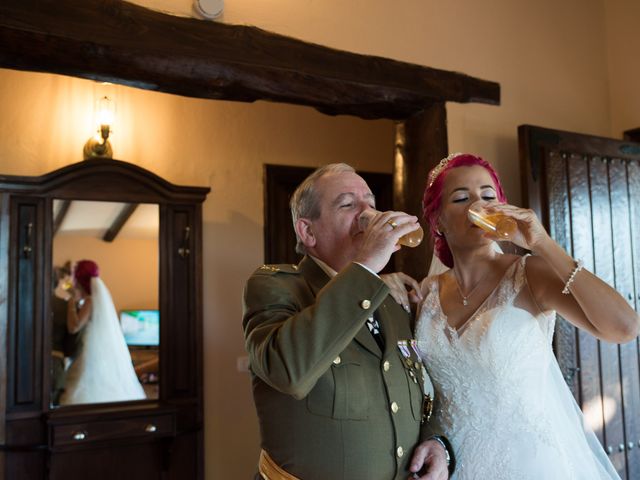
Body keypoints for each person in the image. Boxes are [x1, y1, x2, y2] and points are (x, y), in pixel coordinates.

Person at [384, 153, 640, 479]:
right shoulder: (426, 294)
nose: (479, 204)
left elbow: (625, 326)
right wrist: (384, 287)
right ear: (438, 222)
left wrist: (543, 244)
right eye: (462, 197)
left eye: (488, 196)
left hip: (531, 464)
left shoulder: (529, 275)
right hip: (457, 467)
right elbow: (413, 379)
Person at [243, 163, 454, 480]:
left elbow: (419, 387)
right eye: (348, 204)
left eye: (370, 203)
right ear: (307, 231)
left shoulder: (390, 298)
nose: (368, 214)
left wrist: (437, 442)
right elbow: (290, 372)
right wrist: (367, 265)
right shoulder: (276, 286)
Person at [59, 260, 146, 405]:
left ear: (80, 279)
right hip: (93, 348)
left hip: (88, 351)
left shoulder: (90, 301)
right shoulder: (93, 300)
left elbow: (74, 327)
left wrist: (70, 302)